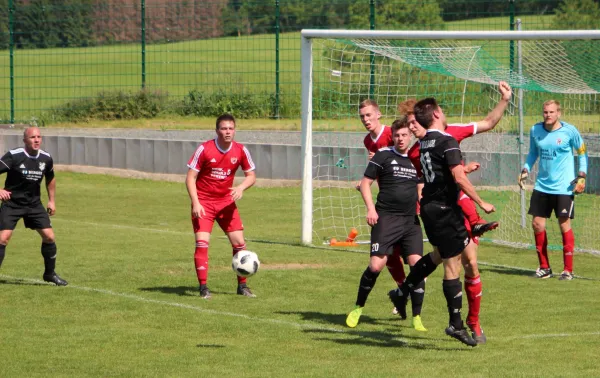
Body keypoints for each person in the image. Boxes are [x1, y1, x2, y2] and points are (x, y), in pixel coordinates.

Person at [398, 80, 512, 344]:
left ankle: (471, 321)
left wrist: (505, 100)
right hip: (445, 208)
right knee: (458, 261)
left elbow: (487, 123)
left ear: (425, 119)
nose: (413, 127)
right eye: (409, 124)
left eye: (415, 122)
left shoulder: (451, 133)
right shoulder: (418, 150)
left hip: (456, 205)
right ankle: (457, 322)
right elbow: (429, 179)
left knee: (464, 262)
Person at [346, 117, 427, 332]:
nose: (401, 139)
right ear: (393, 137)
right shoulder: (384, 155)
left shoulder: (415, 161)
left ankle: (416, 317)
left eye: (404, 135)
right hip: (386, 218)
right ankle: (358, 307)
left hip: (410, 221)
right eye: (397, 135)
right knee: (376, 266)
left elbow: (421, 188)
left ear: (410, 136)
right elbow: (365, 183)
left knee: (419, 269)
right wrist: (371, 209)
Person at [185, 113, 257, 299]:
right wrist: (196, 202)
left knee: (239, 244)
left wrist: (241, 187)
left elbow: (251, 176)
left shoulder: (241, 150)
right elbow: (190, 177)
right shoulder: (205, 149)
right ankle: (203, 288)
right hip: (204, 204)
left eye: (231, 128)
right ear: (217, 130)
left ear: (235, 130)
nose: (227, 132)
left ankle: (242, 286)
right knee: (202, 243)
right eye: (224, 128)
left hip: (226, 204)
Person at [518, 100, 587, 281]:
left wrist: (582, 174)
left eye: (551, 112)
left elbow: (582, 151)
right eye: (545, 112)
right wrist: (526, 168)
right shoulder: (535, 130)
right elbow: (533, 152)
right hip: (542, 186)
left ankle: (567, 270)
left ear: (559, 113)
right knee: (537, 224)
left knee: (564, 224)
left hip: (564, 187)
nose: (548, 115)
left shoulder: (569, 131)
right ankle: (544, 267)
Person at [0, 127, 67, 286]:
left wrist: (52, 201)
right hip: (12, 203)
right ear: (25, 140)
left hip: (34, 204)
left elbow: (50, 178)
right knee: (3, 238)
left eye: (39, 137)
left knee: (49, 237)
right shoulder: (14, 156)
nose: (36, 140)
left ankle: (49, 274)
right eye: (32, 137)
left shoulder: (46, 158)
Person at [358, 99, 408, 309]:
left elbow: (406, 157)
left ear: (378, 114)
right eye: (362, 117)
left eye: (369, 115)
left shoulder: (392, 134)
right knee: (390, 254)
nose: (366, 120)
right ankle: (403, 291)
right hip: (387, 202)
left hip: (405, 200)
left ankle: (408, 290)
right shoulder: (368, 141)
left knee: (407, 253)